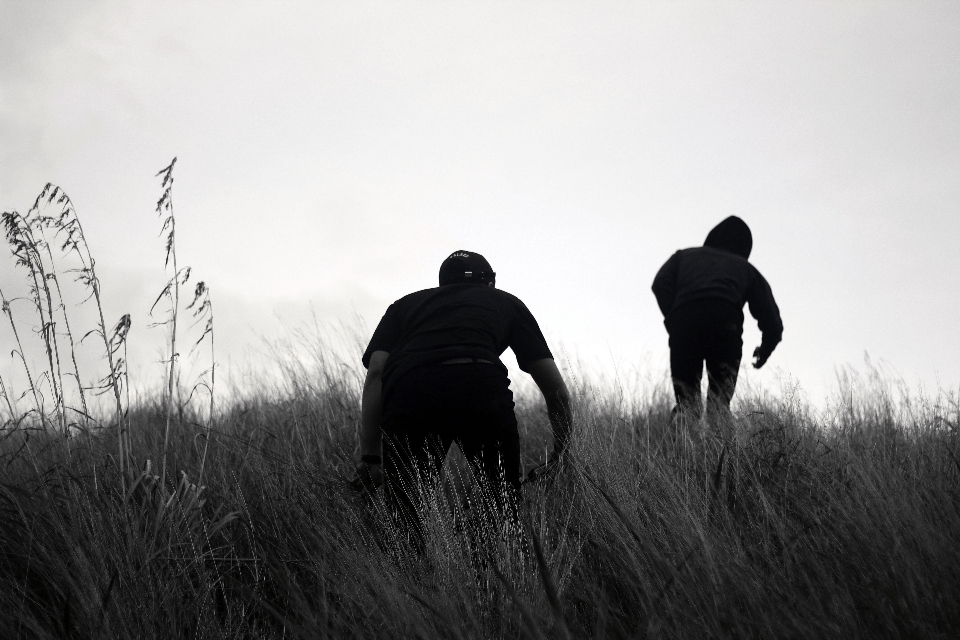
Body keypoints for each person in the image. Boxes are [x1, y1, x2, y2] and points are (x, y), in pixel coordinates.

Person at [352, 250, 572, 544]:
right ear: (490, 284)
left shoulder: (404, 306)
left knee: (404, 515)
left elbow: (377, 373)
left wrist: (370, 456)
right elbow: (554, 387)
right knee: (502, 504)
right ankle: (495, 580)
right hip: (480, 382)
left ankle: (410, 583)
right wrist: (562, 451)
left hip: (412, 389)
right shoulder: (506, 302)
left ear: (442, 286)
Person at [652, 216, 783, 422]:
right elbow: (771, 319)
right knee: (719, 407)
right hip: (725, 329)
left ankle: (681, 451)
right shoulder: (745, 268)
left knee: (686, 404)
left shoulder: (683, 256)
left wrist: (675, 318)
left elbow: (660, 284)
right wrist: (765, 350)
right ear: (745, 247)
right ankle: (722, 452)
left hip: (685, 325)